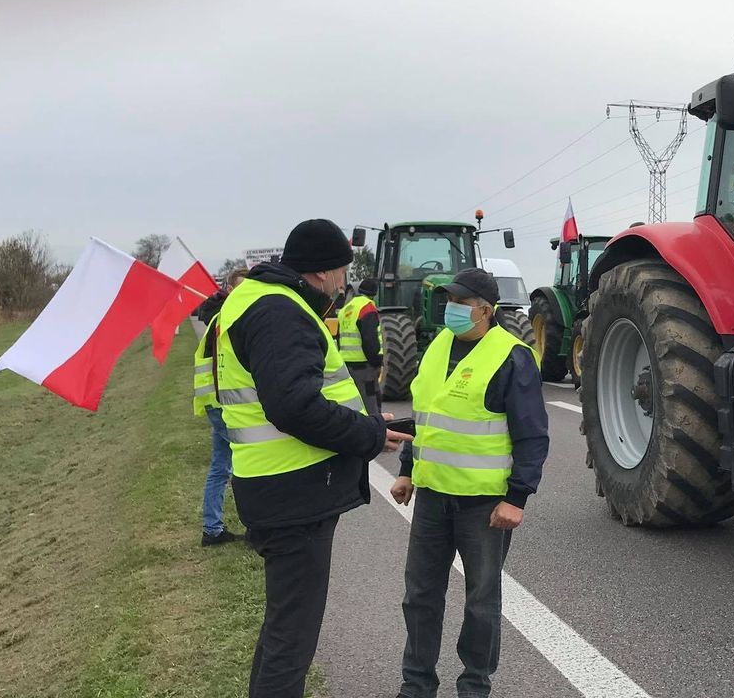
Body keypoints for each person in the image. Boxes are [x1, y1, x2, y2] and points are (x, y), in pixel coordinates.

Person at [216, 218, 409, 698]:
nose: (345, 281)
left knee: (283, 630)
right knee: (292, 642)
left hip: (275, 489)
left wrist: (366, 423)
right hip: (293, 495)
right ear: (323, 272)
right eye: (342, 270)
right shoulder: (280, 311)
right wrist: (366, 434)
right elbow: (294, 406)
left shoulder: (255, 301)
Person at [389, 267, 549, 698]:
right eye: (450, 301)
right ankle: (417, 684)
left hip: (485, 505)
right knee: (420, 595)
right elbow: (427, 415)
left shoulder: (511, 356)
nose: (451, 309)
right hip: (433, 497)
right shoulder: (438, 346)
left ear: (486, 310)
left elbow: (532, 435)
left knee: (481, 601)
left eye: (461, 303)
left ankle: (474, 685)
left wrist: (517, 497)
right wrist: (407, 469)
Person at [194, 270, 246, 547]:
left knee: (221, 466)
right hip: (224, 403)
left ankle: (212, 529)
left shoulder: (220, 316)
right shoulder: (227, 318)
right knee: (246, 464)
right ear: (228, 289)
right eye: (240, 289)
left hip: (217, 401)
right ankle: (256, 528)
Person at [337, 277, 384, 416]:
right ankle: (375, 431)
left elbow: (339, 338)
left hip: (346, 363)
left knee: (353, 403)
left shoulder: (346, 309)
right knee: (370, 403)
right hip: (364, 366)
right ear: (374, 293)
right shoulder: (367, 307)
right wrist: (376, 361)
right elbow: (370, 338)